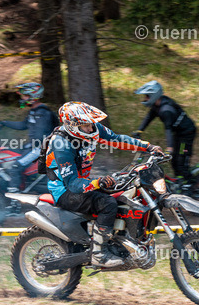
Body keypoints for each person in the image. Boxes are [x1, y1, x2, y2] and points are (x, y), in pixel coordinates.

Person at [46, 101, 163, 268]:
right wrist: (97, 182)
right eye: (86, 125)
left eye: (91, 124)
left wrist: (148, 147)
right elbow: (72, 184)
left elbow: (116, 139)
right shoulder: (61, 144)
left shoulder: (92, 130)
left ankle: (121, 241)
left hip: (83, 183)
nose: (91, 128)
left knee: (124, 191)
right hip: (65, 191)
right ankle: (99, 254)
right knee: (107, 203)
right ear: (72, 125)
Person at [132, 80, 197, 188]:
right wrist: (140, 130)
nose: (145, 98)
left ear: (153, 96)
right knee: (174, 161)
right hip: (178, 133)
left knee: (181, 159)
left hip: (186, 134)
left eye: (147, 96)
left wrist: (169, 148)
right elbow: (149, 117)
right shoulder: (157, 105)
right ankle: (180, 183)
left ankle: (191, 185)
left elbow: (168, 129)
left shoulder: (166, 110)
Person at [0, 82, 56, 191]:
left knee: (15, 167)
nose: (22, 98)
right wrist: (3, 123)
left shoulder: (42, 113)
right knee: (9, 156)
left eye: (24, 95)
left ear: (33, 96)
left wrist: (31, 147)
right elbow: (23, 125)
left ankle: (15, 201)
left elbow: (41, 135)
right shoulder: (34, 111)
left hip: (41, 148)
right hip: (34, 146)